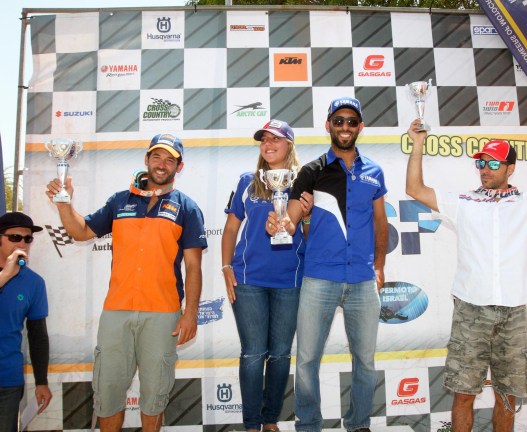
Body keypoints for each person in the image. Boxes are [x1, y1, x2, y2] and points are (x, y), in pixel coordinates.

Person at [405, 100, 527, 432]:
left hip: (513, 314)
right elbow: (414, 189)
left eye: (493, 163)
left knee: (507, 397)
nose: (485, 169)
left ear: (510, 168)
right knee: (464, 395)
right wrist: (417, 145)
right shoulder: (463, 202)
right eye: (481, 163)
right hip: (470, 312)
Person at [45, 134, 207, 432]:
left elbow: (194, 267)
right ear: (146, 159)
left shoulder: (187, 207)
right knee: (108, 396)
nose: (162, 164)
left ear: (179, 167)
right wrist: (64, 204)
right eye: (156, 157)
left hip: (163, 314)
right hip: (116, 312)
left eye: (169, 159)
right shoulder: (119, 201)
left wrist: (191, 314)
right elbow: (81, 232)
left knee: (154, 398)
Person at [267, 97, 388, 432]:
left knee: (365, 361)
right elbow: (290, 220)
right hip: (319, 277)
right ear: (328, 125)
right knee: (307, 360)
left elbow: (381, 223)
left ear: (360, 127)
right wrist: (278, 224)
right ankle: (308, 425)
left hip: (362, 279)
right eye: (338, 121)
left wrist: (379, 266)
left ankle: (359, 424)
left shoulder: (374, 172)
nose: (345, 127)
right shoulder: (311, 171)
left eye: (351, 121)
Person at [221, 119, 312, 432]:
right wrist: (226, 267)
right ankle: (251, 424)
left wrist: (306, 217)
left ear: (290, 145)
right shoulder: (247, 182)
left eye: (276, 139)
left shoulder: (305, 182)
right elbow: (231, 229)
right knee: (252, 354)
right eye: (264, 140)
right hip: (249, 281)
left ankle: (270, 419)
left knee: (280, 355)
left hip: (290, 281)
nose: (268, 145)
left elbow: (312, 235)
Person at [0, 212, 52, 432]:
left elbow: (38, 335)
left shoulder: (33, 283)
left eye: (27, 238)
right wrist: (5, 276)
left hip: (8, 380)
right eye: (15, 237)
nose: (22, 243)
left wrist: (41, 381)